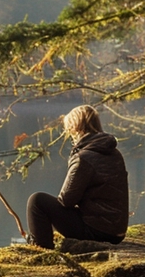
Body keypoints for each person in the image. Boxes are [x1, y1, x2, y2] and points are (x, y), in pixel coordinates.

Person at [26, 105, 129, 249]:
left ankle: (43, 251)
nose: (70, 134)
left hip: (96, 230)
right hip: (116, 232)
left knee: (37, 201)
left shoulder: (84, 157)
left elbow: (66, 200)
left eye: (69, 129)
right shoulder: (114, 153)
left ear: (76, 128)